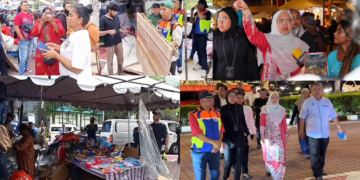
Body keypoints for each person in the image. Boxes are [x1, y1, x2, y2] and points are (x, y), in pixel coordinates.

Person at [234, 0, 310, 80]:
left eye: (288, 20)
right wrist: (246, 11)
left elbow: (310, 70)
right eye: (281, 20)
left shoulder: (302, 45)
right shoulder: (267, 40)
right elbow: (252, 34)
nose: (285, 23)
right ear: (274, 23)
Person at [299, 82, 345, 180]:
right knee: (314, 155)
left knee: (322, 154)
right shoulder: (308, 102)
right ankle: (317, 174)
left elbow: (333, 115)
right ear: (311, 91)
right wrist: (301, 131)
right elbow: (302, 117)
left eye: (319, 89)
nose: (317, 91)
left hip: (325, 134)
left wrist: (339, 127)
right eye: (315, 89)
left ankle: (320, 170)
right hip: (312, 134)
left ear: (322, 91)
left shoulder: (327, 101)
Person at [41, 4, 92, 77]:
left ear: (80, 20)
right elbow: (71, 50)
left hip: (77, 82)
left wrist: (56, 55)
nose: (67, 18)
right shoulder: (75, 34)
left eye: (71, 16)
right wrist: (58, 47)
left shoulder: (81, 38)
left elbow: (77, 69)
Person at [213, 7, 259, 80]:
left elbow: (251, 63)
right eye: (218, 19)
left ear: (233, 19)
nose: (220, 22)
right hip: (221, 79)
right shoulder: (215, 38)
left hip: (242, 79)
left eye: (224, 19)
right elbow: (214, 64)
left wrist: (256, 79)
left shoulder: (245, 38)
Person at [189, 91, 224, 180]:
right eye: (209, 99)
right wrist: (215, 143)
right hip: (199, 151)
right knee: (200, 177)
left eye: (212, 98)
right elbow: (197, 134)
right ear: (201, 101)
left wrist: (218, 143)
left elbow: (221, 130)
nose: (212, 100)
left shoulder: (217, 113)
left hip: (214, 150)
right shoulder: (194, 114)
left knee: (215, 175)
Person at [221, 91, 251, 180]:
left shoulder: (240, 107)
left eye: (234, 96)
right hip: (228, 138)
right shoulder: (223, 109)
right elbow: (221, 125)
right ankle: (225, 176)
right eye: (231, 96)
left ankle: (236, 178)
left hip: (240, 137)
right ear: (227, 97)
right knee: (228, 160)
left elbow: (243, 122)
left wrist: (248, 135)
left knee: (238, 160)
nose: (233, 98)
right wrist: (222, 140)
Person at [260, 92, 288, 179]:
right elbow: (262, 124)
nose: (275, 99)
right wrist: (263, 137)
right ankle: (271, 170)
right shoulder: (265, 109)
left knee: (280, 156)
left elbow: (284, 125)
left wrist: (286, 134)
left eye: (277, 97)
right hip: (269, 137)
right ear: (270, 99)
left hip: (280, 137)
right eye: (273, 97)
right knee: (271, 156)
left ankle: (279, 176)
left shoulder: (282, 110)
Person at [31, 7, 65, 75]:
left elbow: (61, 33)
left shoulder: (56, 21)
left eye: (49, 13)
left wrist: (53, 22)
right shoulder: (38, 21)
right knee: (41, 69)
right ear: (43, 14)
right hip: (41, 49)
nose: (48, 15)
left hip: (54, 49)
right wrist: (41, 22)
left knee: (55, 69)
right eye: (46, 14)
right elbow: (34, 34)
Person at [99, 2, 127, 75]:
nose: (116, 13)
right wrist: (108, 31)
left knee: (121, 58)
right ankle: (111, 76)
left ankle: (120, 72)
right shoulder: (103, 19)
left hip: (118, 41)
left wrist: (123, 31)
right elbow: (99, 33)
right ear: (109, 10)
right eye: (114, 11)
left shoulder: (117, 18)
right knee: (110, 61)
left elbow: (118, 28)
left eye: (117, 11)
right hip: (109, 43)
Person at [157, 0, 183, 75]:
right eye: (161, 9)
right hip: (159, 54)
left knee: (169, 75)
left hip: (170, 57)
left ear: (171, 11)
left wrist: (166, 45)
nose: (161, 12)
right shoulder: (160, 21)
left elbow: (177, 42)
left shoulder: (176, 25)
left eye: (164, 9)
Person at [236, 93, 256, 179]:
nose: (240, 100)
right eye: (238, 98)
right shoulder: (231, 109)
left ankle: (245, 172)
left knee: (245, 154)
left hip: (246, 134)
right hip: (235, 135)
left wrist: (253, 131)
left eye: (241, 98)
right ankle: (236, 168)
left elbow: (251, 120)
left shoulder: (248, 108)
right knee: (236, 154)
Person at [190, 0, 212, 78]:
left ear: (203, 5)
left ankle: (204, 69)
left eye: (200, 4)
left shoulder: (207, 12)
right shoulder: (197, 13)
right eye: (198, 4)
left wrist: (198, 10)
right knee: (198, 50)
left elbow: (202, 17)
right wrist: (192, 12)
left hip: (202, 35)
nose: (198, 6)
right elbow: (192, 21)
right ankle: (200, 64)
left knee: (202, 51)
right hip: (195, 34)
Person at [14, 1, 34, 75]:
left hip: (30, 38)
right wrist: (21, 36)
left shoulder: (30, 15)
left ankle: (26, 68)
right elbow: (16, 27)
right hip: (23, 40)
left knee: (28, 55)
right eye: (24, 5)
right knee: (23, 57)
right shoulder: (19, 16)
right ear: (21, 6)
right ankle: (21, 73)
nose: (26, 6)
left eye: (27, 5)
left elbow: (32, 26)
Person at [295, 88, 311, 159]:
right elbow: (295, 111)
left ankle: (309, 149)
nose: (305, 94)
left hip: (309, 120)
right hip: (301, 120)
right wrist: (292, 120)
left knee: (309, 134)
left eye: (306, 93)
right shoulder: (299, 101)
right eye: (303, 93)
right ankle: (305, 150)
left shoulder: (311, 101)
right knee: (302, 134)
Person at [173, 0, 186, 74]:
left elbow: (184, 23)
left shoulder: (183, 12)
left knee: (179, 51)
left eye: (175, 1)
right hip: (170, 33)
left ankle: (179, 66)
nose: (173, 3)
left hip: (179, 33)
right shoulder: (170, 10)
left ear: (179, 3)